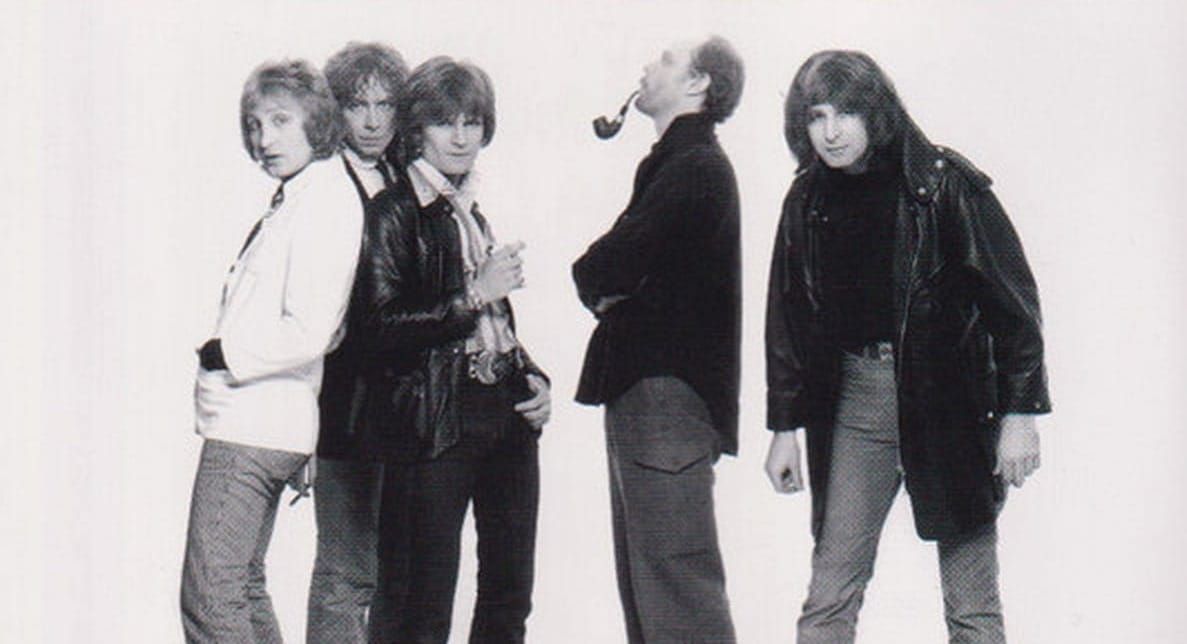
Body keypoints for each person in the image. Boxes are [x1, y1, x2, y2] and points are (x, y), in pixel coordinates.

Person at [763, 50, 1051, 644]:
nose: (832, 131)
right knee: (828, 597)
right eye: (817, 116)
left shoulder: (941, 185)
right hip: (855, 403)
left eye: (846, 113)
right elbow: (787, 319)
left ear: (877, 112)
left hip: (948, 403)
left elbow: (1015, 307)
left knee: (971, 607)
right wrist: (784, 427)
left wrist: (1021, 415)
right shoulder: (806, 201)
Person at [356, 57, 551, 644]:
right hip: (438, 420)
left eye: (472, 122)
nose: (462, 136)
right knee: (421, 601)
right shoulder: (394, 212)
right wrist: (473, 292)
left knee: (510, 593)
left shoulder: (469, 211)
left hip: (505, 417)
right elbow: (379, 328)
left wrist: (534, 377)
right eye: (445, 123)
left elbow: (496, 323)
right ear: (417, 129)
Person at [180, 59, 362, 643]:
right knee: (244, 588)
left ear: (317, 121)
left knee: (211, 598)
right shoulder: (302, 195)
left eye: (281, 120)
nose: (265, 138)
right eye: (255, 124)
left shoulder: (326, 201)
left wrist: (224, 354)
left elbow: (310, 329)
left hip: (254, 425)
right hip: (264, 423)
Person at [573, 35, 744, 644]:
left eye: (667, 61)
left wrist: (603, 281)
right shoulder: (676, 164)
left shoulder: (693, 167)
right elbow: (621, 268)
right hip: (653, 398)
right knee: (654, 589)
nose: (647, 67)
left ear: (699, 84)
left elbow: (606, 265)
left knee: (675, 590)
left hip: (665, 401)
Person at [308, 41, 408, 644]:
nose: (372, 121)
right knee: (346, 571)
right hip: (343, 403)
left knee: (391, 571)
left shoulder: (402, 175)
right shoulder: (324, 183)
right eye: (357, 105)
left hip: (400, 403)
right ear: (335, 111)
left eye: (385, 104)